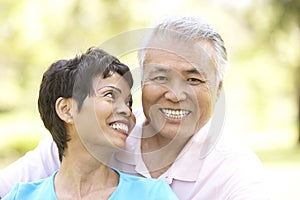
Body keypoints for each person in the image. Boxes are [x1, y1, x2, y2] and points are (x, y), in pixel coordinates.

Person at [0, 16, 267, 199]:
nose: (174, 95)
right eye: (160, 77)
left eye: (194, 79)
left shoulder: (236, 171)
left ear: (218, 90)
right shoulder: (98, 135)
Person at [2, 47, 178, 199]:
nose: (127, 111)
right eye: (110, 95)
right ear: (65, 109)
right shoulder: (20, 196)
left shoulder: (153, 195)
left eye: (128, 102)